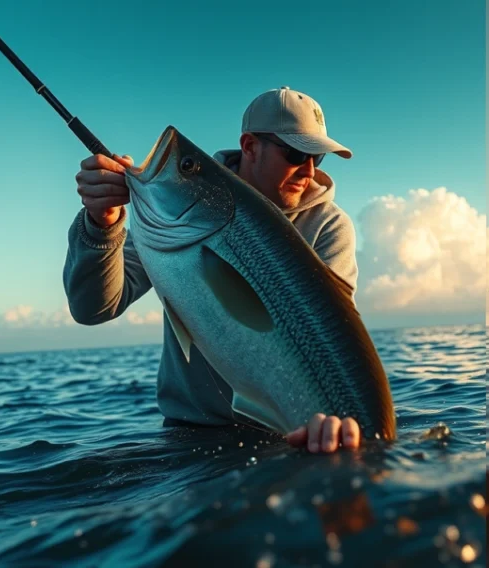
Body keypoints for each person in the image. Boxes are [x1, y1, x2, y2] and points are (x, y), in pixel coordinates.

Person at [64, 86, 364, 453]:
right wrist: (101, 223)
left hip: (291, 439)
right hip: (189, 437)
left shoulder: (328, 225)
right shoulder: (176, 217)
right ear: (250, 146)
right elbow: (93, 308)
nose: (309, 169)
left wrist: (341, 423)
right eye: (296, 153)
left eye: (318, 157)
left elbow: (333, 336)